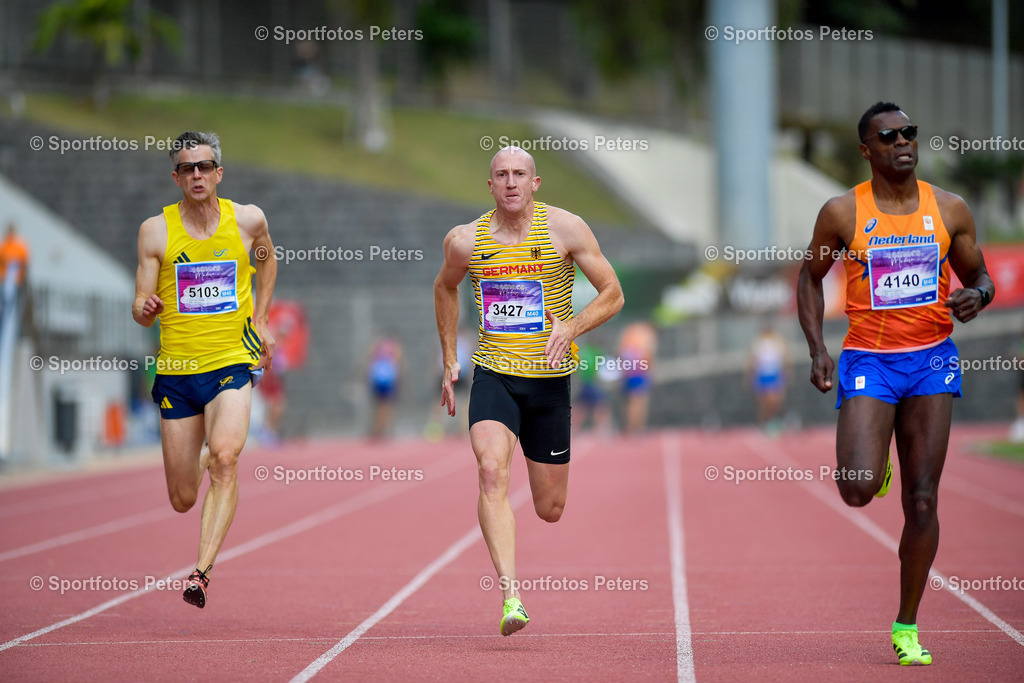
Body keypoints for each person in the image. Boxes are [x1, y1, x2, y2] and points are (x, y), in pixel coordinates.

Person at [798, 102, 994, 666]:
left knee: (924, 499)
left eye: (910, 133)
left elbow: (980, 276)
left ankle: (906, 625)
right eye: (889, 136)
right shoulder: (842, 213)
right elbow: (809, 280)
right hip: (870, 360)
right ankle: (874, 459)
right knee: (857, 486)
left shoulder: (949, 209)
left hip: (932, 360)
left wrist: (976, 296)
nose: (903, 142)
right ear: (868, 150)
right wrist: (818, 348)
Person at [434, 145, 623, 635]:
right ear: (490, 186)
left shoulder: (566, 228)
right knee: (491, 471)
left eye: (520, 174)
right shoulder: (465, 240)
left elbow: (613, 293)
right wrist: (451, 358)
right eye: (502, 175)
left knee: (549, 508)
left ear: (535, 183)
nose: (512, 182)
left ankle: (540, 503)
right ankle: (511, 596)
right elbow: (445, 288)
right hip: (494, 374)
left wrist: (573, 327)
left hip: (549, 382)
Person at [133, 131, 277, 609]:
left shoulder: (248, 220)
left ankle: (201, 572)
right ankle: (200, 463)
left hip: (230, 361)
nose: (197, 174)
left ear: (219, 173)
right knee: (181, 497)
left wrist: (261, 319)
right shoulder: (155, 231)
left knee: (228, 459)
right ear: (176, 177)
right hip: (176, 370)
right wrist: (146, 307)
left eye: (205, 166)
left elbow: (266, 259)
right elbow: (138, 304)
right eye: (187, 168)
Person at [746, 321, 789, 434]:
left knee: (775, 401)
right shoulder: (758, 341)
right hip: (762, 374)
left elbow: (785, 356)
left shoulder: (777, 340)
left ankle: (774, 421)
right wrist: (750, 374)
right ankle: (763, 424)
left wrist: (786, 371)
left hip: (774, 374)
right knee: (763, 402)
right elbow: (752, 359)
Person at [618, 320, 656, 434]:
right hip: (640, 371)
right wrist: (650, 370)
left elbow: (620, 351)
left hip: (628, 370)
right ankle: (636, 427)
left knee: (629, 401)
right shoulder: (647, 334)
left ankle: (630, 426)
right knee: (639, 401)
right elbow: (649, 353)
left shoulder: (628, 333)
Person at [366, 336, 403, 439]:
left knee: (378, 406)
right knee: (386, 406)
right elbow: (398, 361)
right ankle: (383, 430)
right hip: (388, 379)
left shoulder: (377, 345)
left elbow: (370, 358)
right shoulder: (394, 347)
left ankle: (378, 429)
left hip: (377, 378)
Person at [0, 223, 30, 287]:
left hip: (18, 278)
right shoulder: (3, 245)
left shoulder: (20, 246)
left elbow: (25, 261)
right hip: (4, 278)